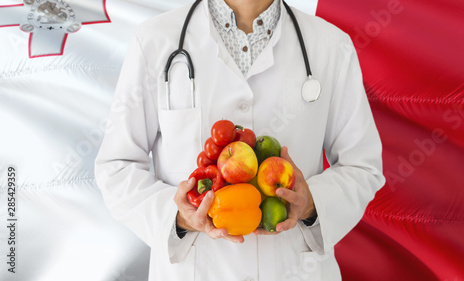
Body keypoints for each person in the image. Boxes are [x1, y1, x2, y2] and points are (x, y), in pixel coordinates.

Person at [95, 0, 385, 280]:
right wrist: (178, 217)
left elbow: (362, 165)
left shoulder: (331, 46)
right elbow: (116, 166)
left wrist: (312, 204)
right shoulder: (155, 41)